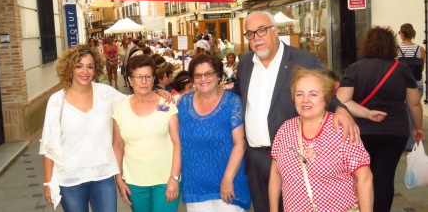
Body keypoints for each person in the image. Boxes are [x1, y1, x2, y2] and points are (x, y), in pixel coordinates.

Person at [232, 11, 359, 212]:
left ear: (275, 31)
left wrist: (341, 110)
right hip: (256, 158)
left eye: (262, 30)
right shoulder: (246, 61)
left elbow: (324, 92)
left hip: (293, 159)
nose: (256, 38)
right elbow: (238, 92)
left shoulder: (303, 59)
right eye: (250, 34)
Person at [336, 26, 425, 212]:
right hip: (394, 133)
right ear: (392, 46)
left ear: (367, 45)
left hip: (360, 133)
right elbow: (415, 104)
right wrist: (417, 128)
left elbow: (342, 100)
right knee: (384, 178)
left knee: (362, 176)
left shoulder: (354, 68)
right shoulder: (401, 69)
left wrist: (365, 113)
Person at [269, 67, 373, 212]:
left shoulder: (341, 129)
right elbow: (275, 173)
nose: (305, 100)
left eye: (313, 94)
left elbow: (364, 178)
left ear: (326, 98)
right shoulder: (285, 129)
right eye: (300, 94)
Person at [40, 44, 126, 212]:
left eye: (90, 66)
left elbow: (132, 102)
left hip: (104, 175)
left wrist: (157, 93)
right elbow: (49, 145)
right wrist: (48, 182)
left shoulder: (106, 94)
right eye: (79, 66)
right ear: (69, 68)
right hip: (70, 179)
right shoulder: (57, 101)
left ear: (96, 70)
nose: (84, 71)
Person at [178, 54, 251, 212]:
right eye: (198, 75)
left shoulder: (232, 102)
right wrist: (160, 92)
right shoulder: (183, 102)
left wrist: (227, 180)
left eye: (209, 73)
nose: (203, 79)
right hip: (195, 186)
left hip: (228, 185)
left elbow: (240, 144)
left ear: (219, 75)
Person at [112, 55, 181, 212]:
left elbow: (177, 143)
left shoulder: (167, 105)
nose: (143, 81)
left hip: (165, 180)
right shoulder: (120, 109)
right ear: (130, 79)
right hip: (134, 182)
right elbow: (118, 146)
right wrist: (118, 178)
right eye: (138, 76)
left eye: (148, 76)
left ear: (153, 79)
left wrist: (174, 178)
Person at [397, 23, 426, 151]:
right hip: (417, 84)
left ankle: (405, 141)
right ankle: (412, 141)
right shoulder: (420, 49)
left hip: (401, 85)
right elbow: (422, 68)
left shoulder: (396, 49)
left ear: (402, 34)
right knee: (413, 112)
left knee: (402, 113)